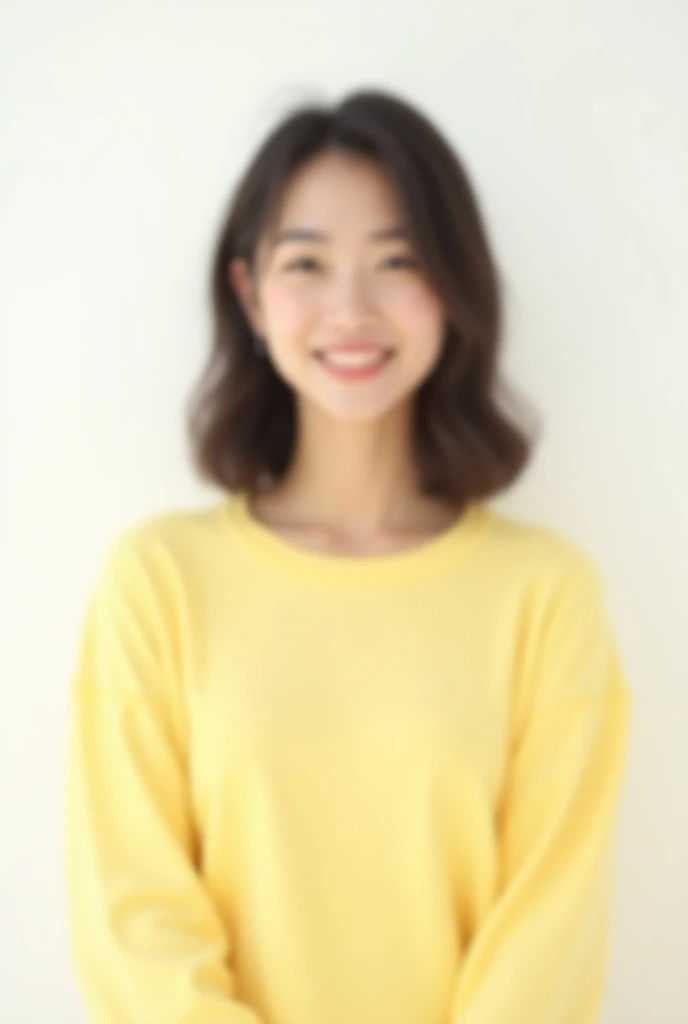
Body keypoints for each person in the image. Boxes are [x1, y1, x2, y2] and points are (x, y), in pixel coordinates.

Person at [65, 88, 633, 1024]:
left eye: (396, 261)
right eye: (307, 264)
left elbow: (546, 937)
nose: (351, 307)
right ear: (250, 293)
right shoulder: (158, 584)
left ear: (449, 285)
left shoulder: (544, 594)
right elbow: (137, 926)